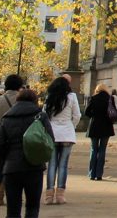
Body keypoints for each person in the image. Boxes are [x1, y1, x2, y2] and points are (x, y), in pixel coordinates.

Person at [0, 88, 53, 218]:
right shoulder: (40, 116)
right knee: (32, 207)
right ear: (35, 100)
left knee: (13, 209)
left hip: (11, 168)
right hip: (34, 166)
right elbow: (50, 139)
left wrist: (7, 157)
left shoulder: (7, 117)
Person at [43, 76, 81, 204]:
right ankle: (60, 194)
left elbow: (45, 115)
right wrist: (72, 126)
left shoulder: (50, 98)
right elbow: (77, 115)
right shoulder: (72, 97)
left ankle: (49, 194)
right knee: (63, 165)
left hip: (52, 133)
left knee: (52, 165)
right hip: (67, 133)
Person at [0, 74, 24, 207]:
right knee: (19, 167)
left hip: (2, 135)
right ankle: (16, 194)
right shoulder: (22, 99)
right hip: (19, 137)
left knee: (0, 166)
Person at [85, 84, 115, 180]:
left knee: (94, 149)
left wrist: (93, 116)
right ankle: (99, 174)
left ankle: (91, 173)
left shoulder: (93, 98)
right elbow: (114, 112)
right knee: (102, 150)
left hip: (94, 126)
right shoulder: (110, 99)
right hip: (106, 126)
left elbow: (87, 112)